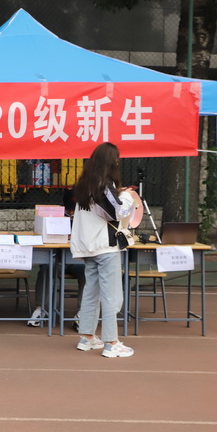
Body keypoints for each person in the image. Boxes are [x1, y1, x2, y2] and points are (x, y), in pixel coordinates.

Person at [70, 142, 135, 358]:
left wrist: (118, 194)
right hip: (104, 247)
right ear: (110, 161)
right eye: (116, 159)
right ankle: (111, 342)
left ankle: (87, 337)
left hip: (88, 247)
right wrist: (127, 197)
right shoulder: (103, 185)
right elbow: (117, 213)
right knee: (111, 296)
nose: (118, 162)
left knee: (91, 292)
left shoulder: (85, 184)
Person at [28, 189, 86, 331]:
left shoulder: (87, 217)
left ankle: (83, 314)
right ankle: (40, 309)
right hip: (57, 258)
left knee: (88, 272)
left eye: (73, 210)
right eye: (69, 210)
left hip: (77, 259)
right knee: (46, 268)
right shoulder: (55, 216)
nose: (71, 213)